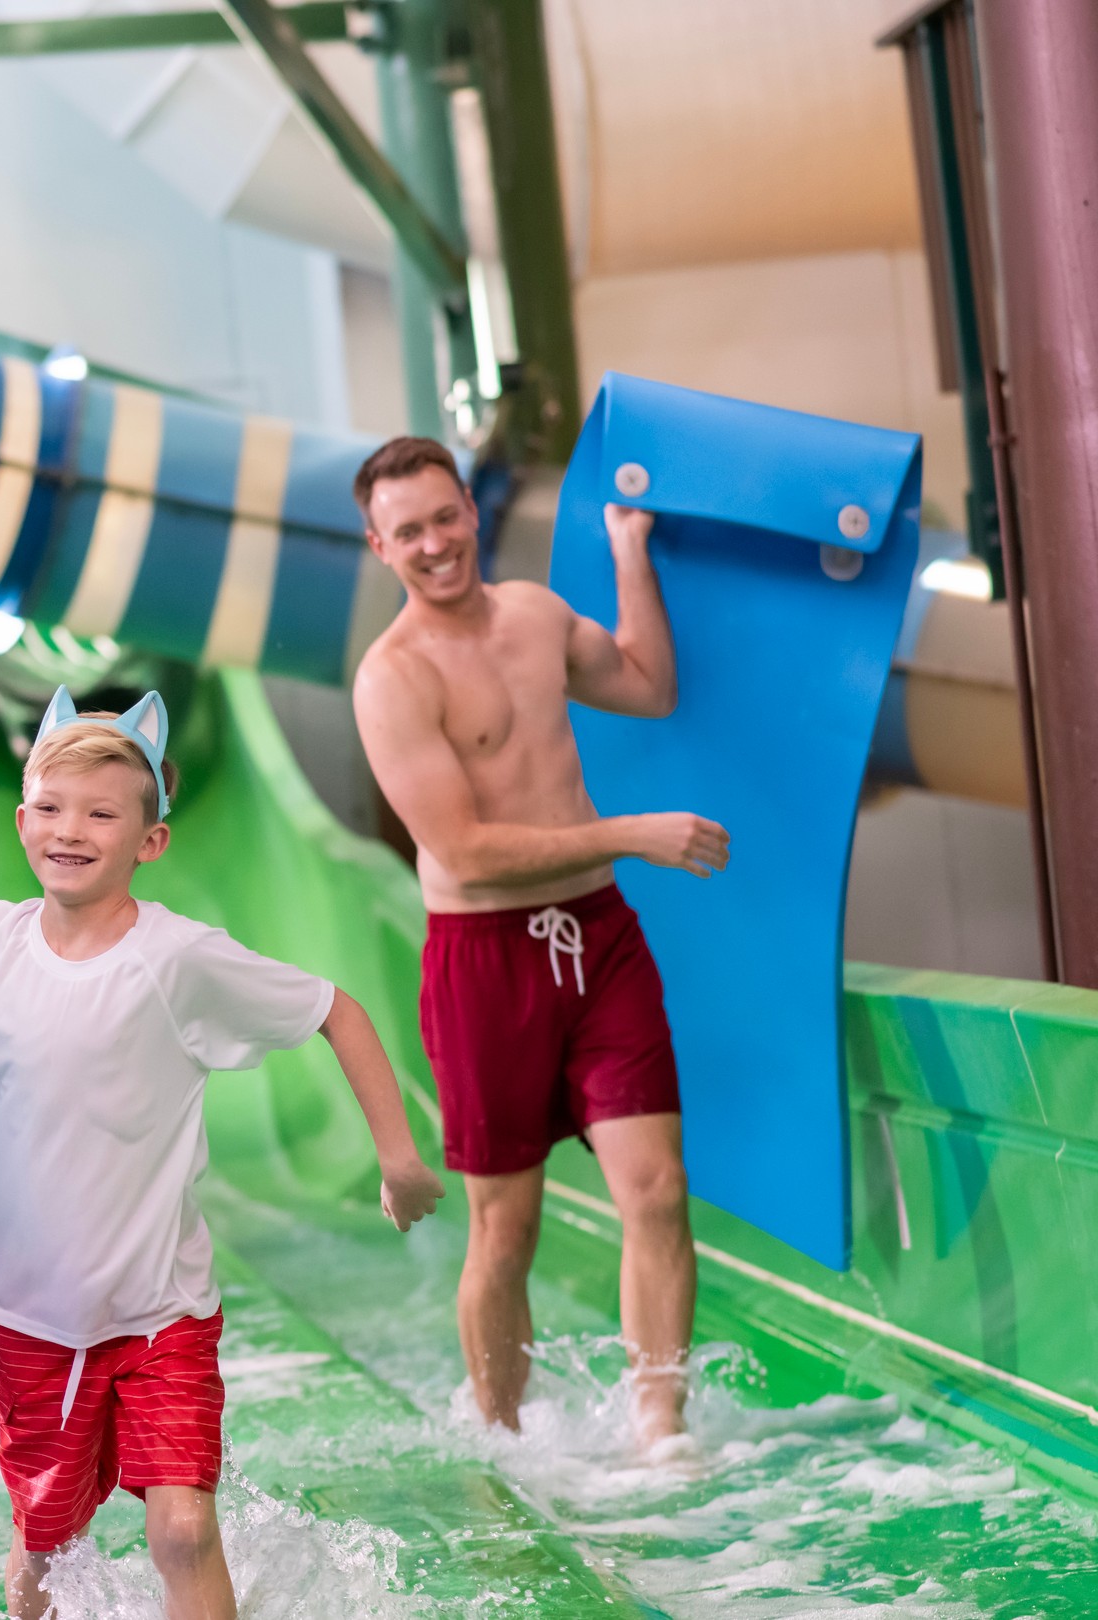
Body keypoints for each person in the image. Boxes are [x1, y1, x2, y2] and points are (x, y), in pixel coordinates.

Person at [0, 688, 442, 1620]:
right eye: (52, 809)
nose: (72, 830)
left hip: (163, 1313)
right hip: (33, 1320)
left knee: (183, 1529)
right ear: (22, 821)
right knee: (45, 1549)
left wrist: (398, 1157)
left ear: (150, 842)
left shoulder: (180, 959)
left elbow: (334, 1009)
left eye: (102, 813)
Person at [346, 436, 726, 1453]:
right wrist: (630, 834)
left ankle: (661, 1433)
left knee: (655, 1188)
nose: (435, 544)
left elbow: (648, 684)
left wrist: (630, 549)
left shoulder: (536, 616)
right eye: (409, 531)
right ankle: (504, 1439)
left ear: (472, 512)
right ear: (379, 544)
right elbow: (463, 851)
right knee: (506, 1232)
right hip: (485, 961)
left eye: (445, 517)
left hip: (597, 941)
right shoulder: (392, 680)